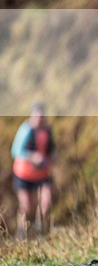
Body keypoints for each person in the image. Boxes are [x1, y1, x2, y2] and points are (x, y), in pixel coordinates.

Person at [11, 102, 56, 238]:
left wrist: (53, 155)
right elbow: (16, 151)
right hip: (24, 174)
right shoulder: (25, 130)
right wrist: (32, 157)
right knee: (26, 205)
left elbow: (51, 148)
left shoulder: (47, 130)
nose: (39, 119)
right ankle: (21, 232)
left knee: (46, 201)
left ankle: (39, 229)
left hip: (42, 173)